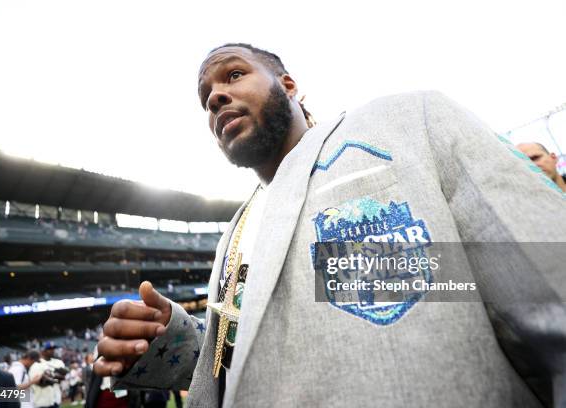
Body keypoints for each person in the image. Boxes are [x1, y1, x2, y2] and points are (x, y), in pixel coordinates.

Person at [93, 44, 566, 407]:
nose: (216, 97)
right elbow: (250, 356)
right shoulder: (233, 237)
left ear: (289, 85)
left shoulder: (406, 123)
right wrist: (170, 341)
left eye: (234, 75)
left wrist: (376, 270)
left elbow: (548, 280)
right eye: (206, 100)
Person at [28, 342, 65, 408]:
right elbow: (38, 382)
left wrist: (49, 378)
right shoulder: (36, 365)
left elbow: (62, 378)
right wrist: (54, 378)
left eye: (53, 349)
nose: (52, 351)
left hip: (55, 399)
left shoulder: (59, 362)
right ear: (43, 351)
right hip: (41, 401)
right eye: (49, 349)